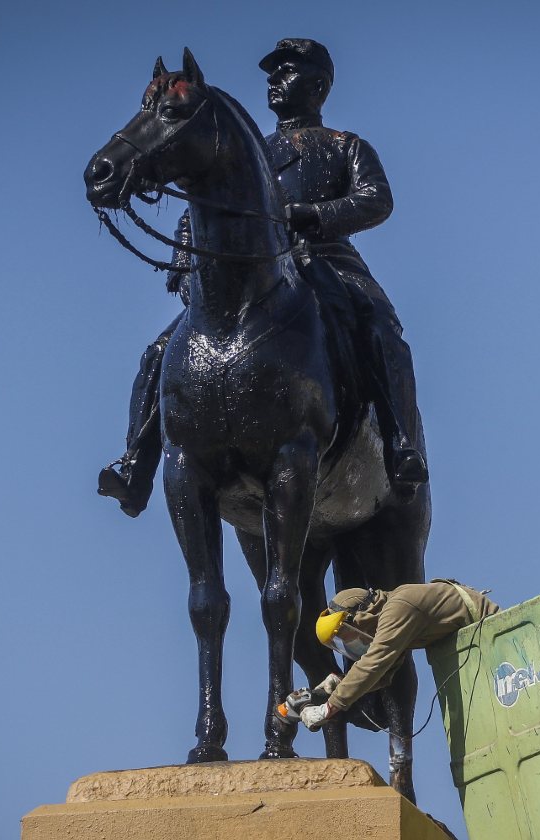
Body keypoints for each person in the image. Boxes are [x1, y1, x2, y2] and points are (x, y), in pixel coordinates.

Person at [98, 37, 428, 516]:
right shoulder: (249, 146)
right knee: (159, 351)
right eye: (273, 72)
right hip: (253, 273)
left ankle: (400, 446)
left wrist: (313, 215)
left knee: (381, 328)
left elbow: (376, 199)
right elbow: (198, 204)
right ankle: (136, 464)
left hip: (327, 259)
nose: (275, 80)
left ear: (318, 86)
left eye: (288, 71)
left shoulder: (344, 145)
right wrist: (185, 258)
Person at [299, 580, 499, 730]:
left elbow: (373, 664)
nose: (354, 641)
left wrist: (328, 707)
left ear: (359, 616)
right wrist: (340, 683)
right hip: (479, 646)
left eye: (347, 635)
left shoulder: (399, 607)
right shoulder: (394, 613)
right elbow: (384, 673)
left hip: (497, 638)